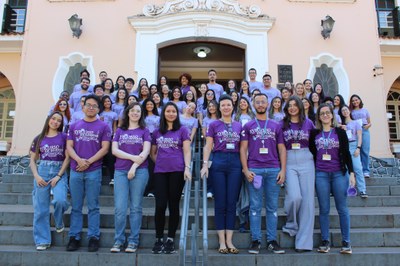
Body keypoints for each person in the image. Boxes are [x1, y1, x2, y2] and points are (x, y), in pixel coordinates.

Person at [240, 93, 286, 255]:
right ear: (253, 104)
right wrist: (246, 170)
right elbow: (243, 149)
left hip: (273, 170)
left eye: (263, 102)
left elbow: (281, 149)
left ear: (268, 104)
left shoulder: (276, 125)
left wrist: (283, 170)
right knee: (255, 207)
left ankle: (272, 241)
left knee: (272, 208)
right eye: (257, 102)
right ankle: (256, 240)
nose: (260, 104)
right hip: (255, 170)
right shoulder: (249, 126)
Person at [66, 95, 112, 252]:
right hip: (75, 170)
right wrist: (79, 160)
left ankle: (94, 237)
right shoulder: (74, 125)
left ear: (98, 109)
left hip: (94, 170)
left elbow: (105, 148)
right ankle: (74, 237)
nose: (91, 108)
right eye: (88, 105)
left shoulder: (104, 126)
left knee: (93, 206)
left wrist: (88, 162)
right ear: (83, 107)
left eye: (94, 106)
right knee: (76, 206)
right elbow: (69, 147)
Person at [309, 103, 355, 254]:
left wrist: (352, 173)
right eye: (322, 113)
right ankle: (325, 240)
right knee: (324, 209)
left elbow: (347, 154)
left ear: (332, 115)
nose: (325, 115)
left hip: (339, 174)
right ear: (319, 117)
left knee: (342, 208)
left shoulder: (340, 132)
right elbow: (312, 151)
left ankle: (346, 242)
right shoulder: (314, 134)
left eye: (327, 113)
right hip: (321, 174)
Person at [201, 95, 242, 254]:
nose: (226, 107)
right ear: (220, 108)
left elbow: (244, 148)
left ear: (233, 107)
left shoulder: (239, 126)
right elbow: (207, 146)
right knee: (220, 203)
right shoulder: (213, 125)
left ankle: (230, 240)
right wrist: (205, 165)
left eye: (228, 105)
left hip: (235, 163)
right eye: (223, 105)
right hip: (218, 161)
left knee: (231, 202)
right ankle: (221, 242)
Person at [150, 102, 192, 254]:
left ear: (177, 114)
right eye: (168, 111)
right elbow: (152, 153)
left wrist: (187, 168)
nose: (171, 113)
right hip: (160, 172)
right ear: (164, 113)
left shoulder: (183, 130)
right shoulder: (156, 132)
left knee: (173, 205)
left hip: (177, 172)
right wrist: (162, 163)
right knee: (160, 205)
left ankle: (170, 239)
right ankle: (159, 238)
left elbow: (187, 151)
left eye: (174, 111)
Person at [110, 102, 151, 253]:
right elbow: (114, 151)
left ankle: (133, 241)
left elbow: (145, 152)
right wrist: (134, 158)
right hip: (120, 171)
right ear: (127, 113)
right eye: (132, 110)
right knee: (120, 208)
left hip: (139, 172)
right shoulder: (120, 130)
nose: (135, 113)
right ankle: (118, 240)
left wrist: (134, 166)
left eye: (138, 111)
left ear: (141, 114)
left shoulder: (145, 131)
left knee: (135, 207)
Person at [30, 112, 70, 251]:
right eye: (53, 119)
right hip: (42, 172)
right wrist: (36, 176)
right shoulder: (39, 138)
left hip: (58, 172)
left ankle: (59, 221)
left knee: (60, 201)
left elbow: (67, 158)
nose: (55, 122)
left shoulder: (64, 137)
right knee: (41, 209)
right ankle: (42, 240)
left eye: (59, 120)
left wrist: (59, 175)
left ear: (61, 124)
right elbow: (32, 160)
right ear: (48, 120)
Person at [281, 96, 315, 252]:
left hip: (306, 159)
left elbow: (315, 143)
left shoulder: (308, 123)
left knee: (307, 202)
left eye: (295, 105)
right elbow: (278, 146)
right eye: (290, 105)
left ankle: (303, 243)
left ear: (300, 107)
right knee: (295, 197)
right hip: (288, 160)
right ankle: (291, 224)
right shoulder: (282, 124)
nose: (292, 108)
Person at [339, 105, 368, 198]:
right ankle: (350, 189)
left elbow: (359, 136)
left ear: (349, 111)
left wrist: (358, 148)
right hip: (344, 146)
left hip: (353, 145)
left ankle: (362, 190)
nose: (345, 111)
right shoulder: (341, 125)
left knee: (358, 168)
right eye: (343, 110)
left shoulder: (356, 123)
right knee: (347, 169)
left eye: (346, 109)